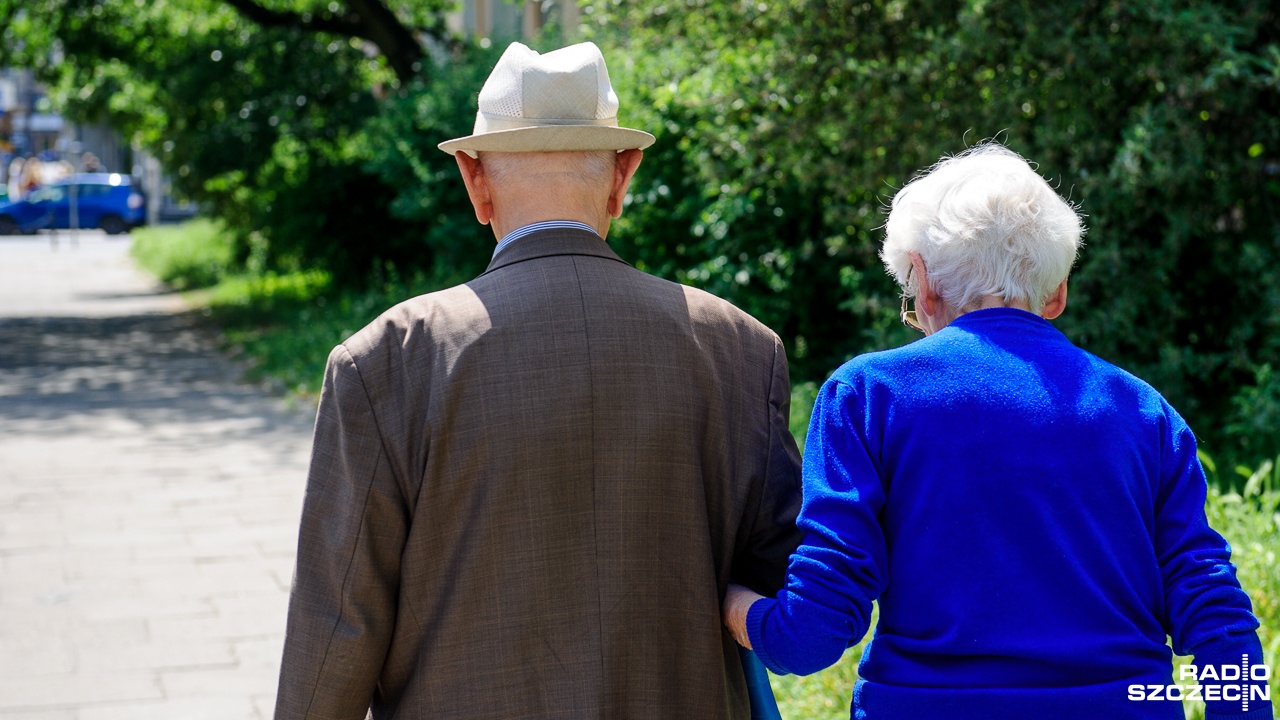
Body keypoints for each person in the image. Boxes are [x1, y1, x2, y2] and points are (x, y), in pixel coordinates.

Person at [275, 41, 803, 719]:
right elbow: (786, 586)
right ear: (624, 175)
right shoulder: (741, 350)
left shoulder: (385, 361)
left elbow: (338, 626)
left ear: (474, 178)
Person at [722, 144, 1273, 720]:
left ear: (925, 283)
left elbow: (809, 637)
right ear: (1057, 293)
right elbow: (1214, 612)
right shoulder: (1146, 414)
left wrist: (733, 607)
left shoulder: (868, 396)